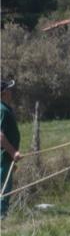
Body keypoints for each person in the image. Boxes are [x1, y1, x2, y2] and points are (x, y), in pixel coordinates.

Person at [1, 79, 22, 219]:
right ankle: (1, 216)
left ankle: (3, 215)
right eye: (9, 89)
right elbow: (0, 135)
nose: (11, 91)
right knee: (3, 187)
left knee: (6, 186)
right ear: (4, 92)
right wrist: (13, 152)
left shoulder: (6, 108)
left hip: (7, 157)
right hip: (3, 157)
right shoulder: (2, 110)